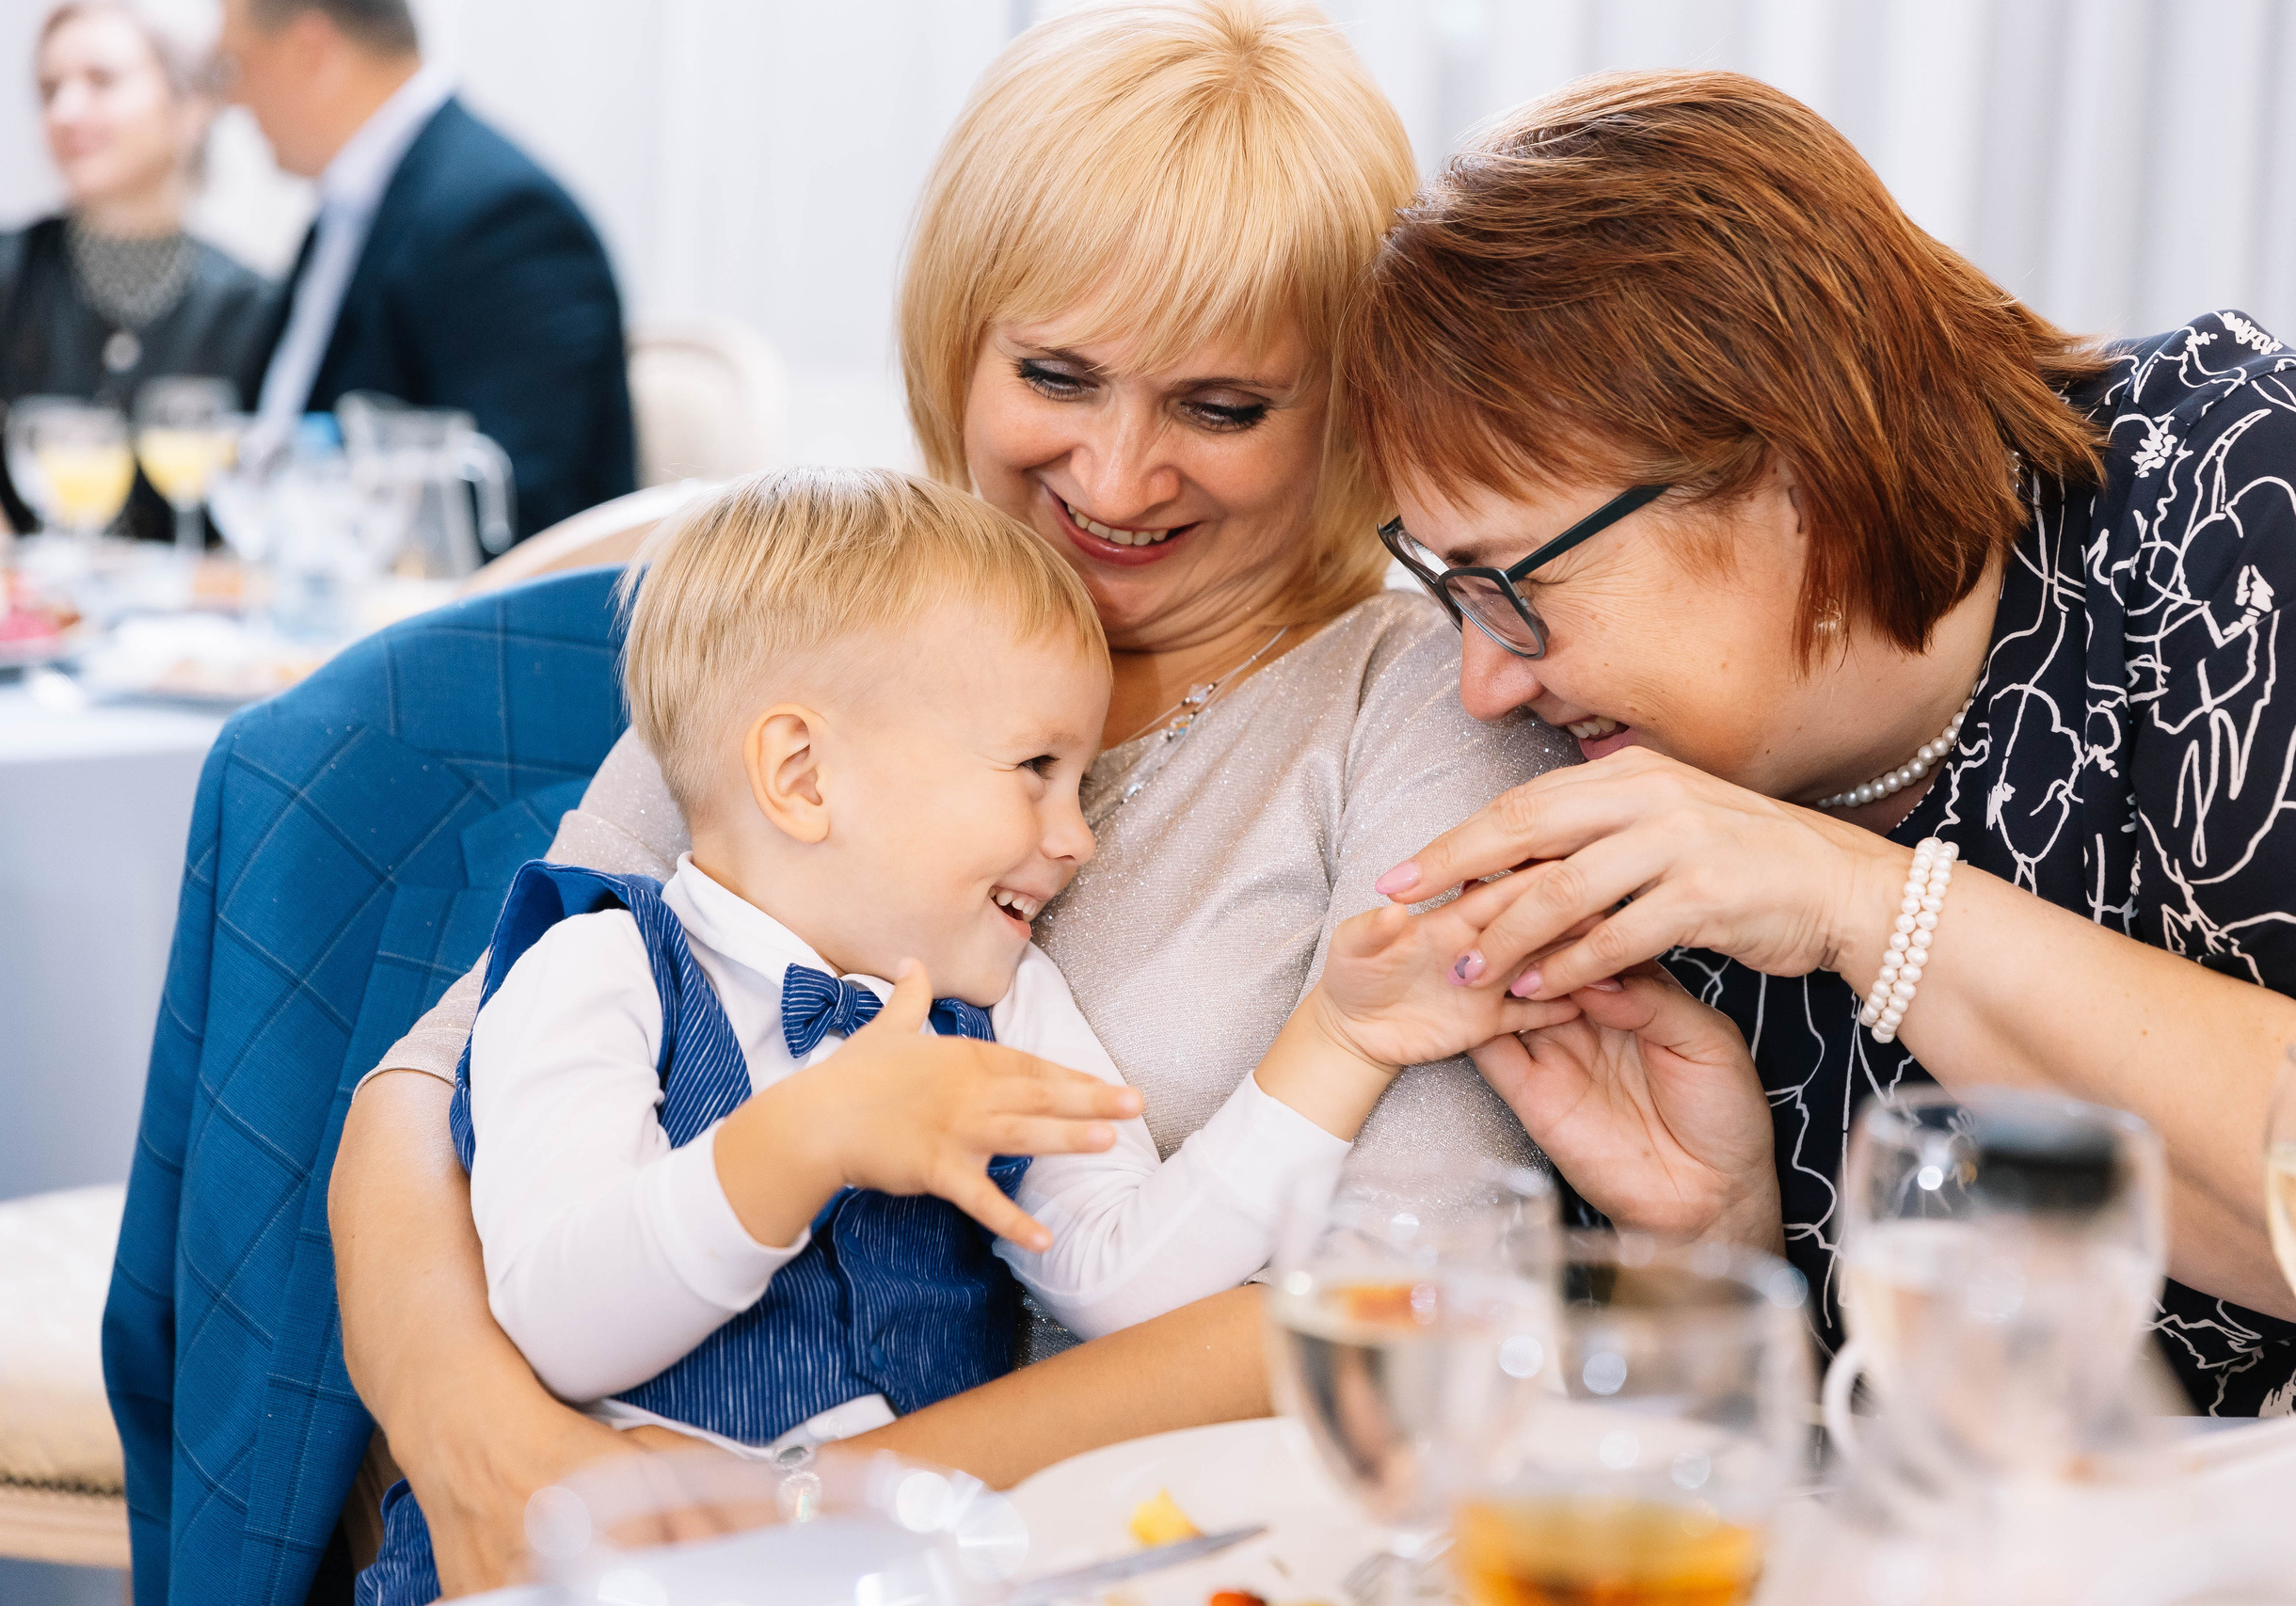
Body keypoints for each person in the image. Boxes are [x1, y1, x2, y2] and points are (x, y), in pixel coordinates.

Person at [325, 2, 1574, 1594]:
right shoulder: (838, 629)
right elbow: (424, 1095)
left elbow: (1406, 1299)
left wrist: (800, 1509)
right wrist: (502, 1460)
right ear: (956, 336)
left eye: (1221, 406)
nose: (1116, 481)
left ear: (1347, 405)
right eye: (1055, 373)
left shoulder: (1426, 708)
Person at [1339, 70, 2296, 1417]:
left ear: (1795, 476)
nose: (1483, 680)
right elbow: (1799, 1495)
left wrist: (1864, 906)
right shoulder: (1625, 784)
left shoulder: (2257, 498)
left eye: (1519, 587)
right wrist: (1707, 1234)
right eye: (1448, 589)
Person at [355, 464, 1571, 1605]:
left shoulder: (1009, 998)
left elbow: (1123, 1276)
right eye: (1038, 769)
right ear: (801, 773)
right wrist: (807, 1135)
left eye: (1082, 779)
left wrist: (1342, 1043)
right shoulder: (594, 965)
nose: (1074, 836)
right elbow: (562, 1320)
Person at [217, 0, 634, 543]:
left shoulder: (502, 217)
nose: (234, 98)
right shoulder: (348, 211)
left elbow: (515, 510)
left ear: (309, 51)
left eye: (238, 66)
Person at [1, 0, 276, 539]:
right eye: (49, 90)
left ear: (192, 103)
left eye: (101, 81)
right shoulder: (10, 273)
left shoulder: (254, 306)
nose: (65, 112)